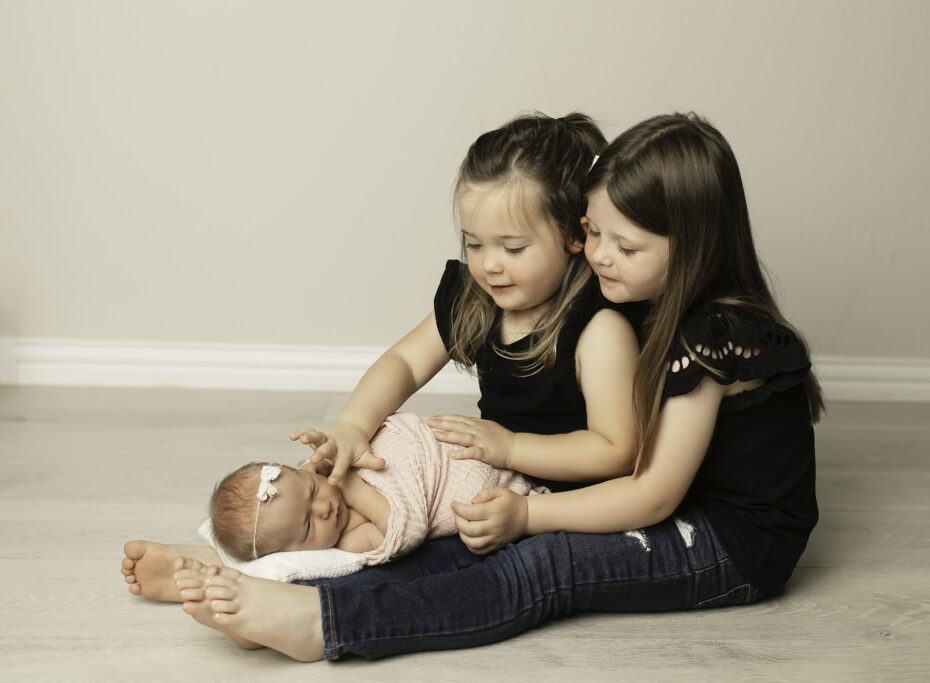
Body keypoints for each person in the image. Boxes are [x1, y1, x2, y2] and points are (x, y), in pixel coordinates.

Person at [169, 111, 823, 662]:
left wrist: (528, 506)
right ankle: (278, 562)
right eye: (595, 234)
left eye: (620, 245)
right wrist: (351, 425)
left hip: (725, 538)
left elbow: (646, 485)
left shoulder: (701, 334)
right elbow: (404, 360)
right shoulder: (603, 296)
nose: (598, 257)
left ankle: (324, 621)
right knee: (434, 522)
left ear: (694, 245)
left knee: (537, 568)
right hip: (600, 491)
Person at [122, 111, 640, 605]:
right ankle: (257, 558)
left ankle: (275, 591)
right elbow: (405, 364)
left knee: (432, 568)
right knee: (340, 503)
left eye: (513, 248)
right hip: (491, 476)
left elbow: (615, 452)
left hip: (562, 501)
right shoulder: (478, 301)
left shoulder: (599, 330)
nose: (488, 266)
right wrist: (351, 425)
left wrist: (509, 447)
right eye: (474, 243)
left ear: (576, 234)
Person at [209, 413, 544, 565]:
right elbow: (408, 527)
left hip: (458, 447)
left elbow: (350, 444)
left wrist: (327, 448)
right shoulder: (351, 541)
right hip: (491, 490)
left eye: (312, 491)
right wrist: (352, 486)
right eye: (309, 525)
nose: (324, 507)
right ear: (298, 554)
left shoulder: (325, 472)